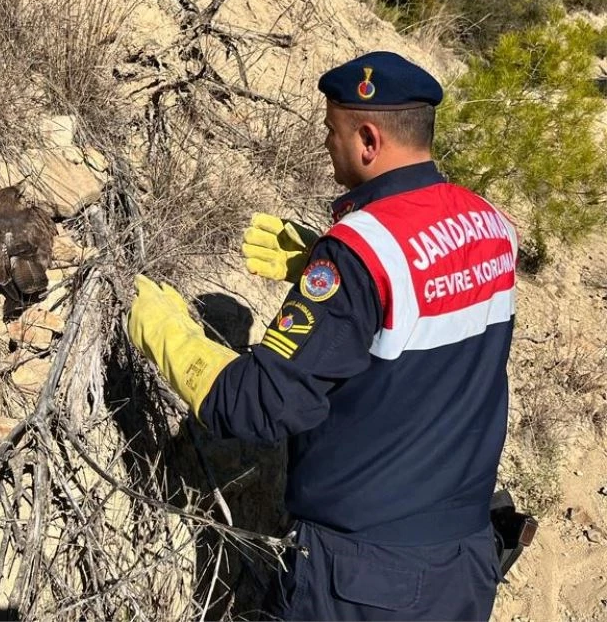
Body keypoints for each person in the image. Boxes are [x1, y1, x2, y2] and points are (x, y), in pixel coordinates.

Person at [128, 51, 517, 621]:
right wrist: (329, 275)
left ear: (367, 139)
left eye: (330, 129)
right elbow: (427, 326)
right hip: (465, 558)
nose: (324, 143)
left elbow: (259, 403)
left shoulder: (359, 250)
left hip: (366, 578)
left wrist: (168, 334)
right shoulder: (489, 224)